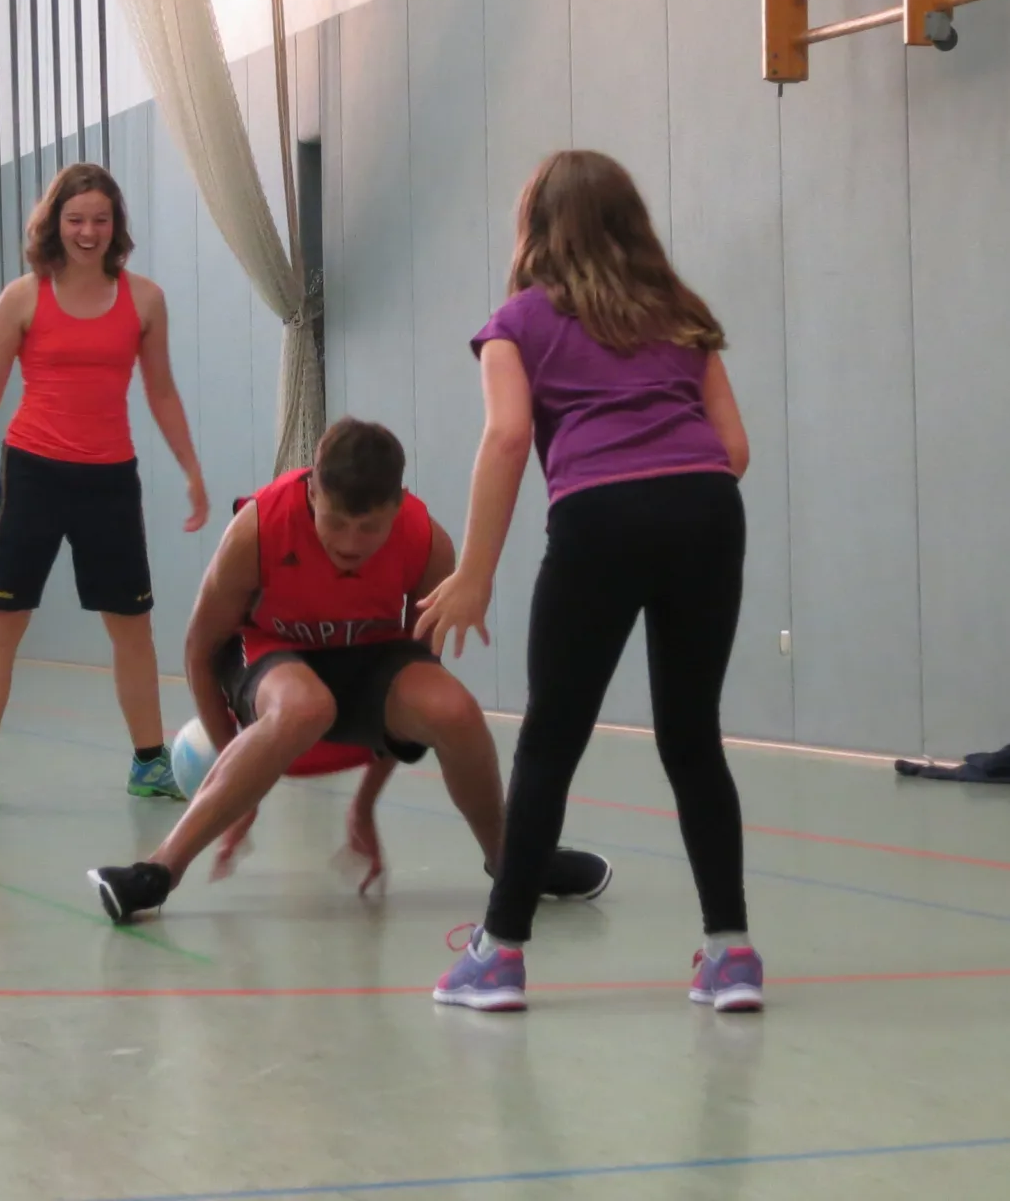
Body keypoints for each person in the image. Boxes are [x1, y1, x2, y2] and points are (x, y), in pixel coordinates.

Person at [418, 150, 760, 1014]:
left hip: (598, 519)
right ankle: (731, 955)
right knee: (693, 738)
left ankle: (499, 956)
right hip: (707, 509)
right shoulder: (682, 314)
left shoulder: (517, 323)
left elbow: (506, 439)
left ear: (535, 227)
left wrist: (473, 575)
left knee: (551, 741)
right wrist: (674, 496)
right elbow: (735, 450)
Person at [84, 418, 611, 925]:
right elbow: (200, 649)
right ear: (313, 493)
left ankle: (512, 863)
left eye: (369, 528)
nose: (351, 543)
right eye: (336, 522)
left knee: (453, 709)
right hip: (268, 653)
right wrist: (236, 788)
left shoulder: (427, 544)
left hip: (365, 659)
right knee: (303, 706)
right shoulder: (260, 529)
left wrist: (366, 803)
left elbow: (415, 681)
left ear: (397, 506)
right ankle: (157, 871)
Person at [0, 163, 207, 808]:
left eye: (101, 220)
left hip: (109, 480)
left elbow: (161, 391)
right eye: (76, 219)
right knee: (2, 622)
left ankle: (149, 762)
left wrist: (191, 470)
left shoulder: (145, 300)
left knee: (131, 625)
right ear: (54, 223)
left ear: (116, 227)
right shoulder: (23, 298)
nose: (88, 231)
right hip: (32, 474)